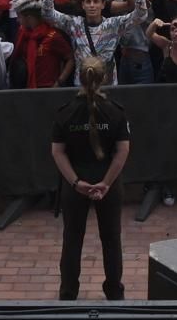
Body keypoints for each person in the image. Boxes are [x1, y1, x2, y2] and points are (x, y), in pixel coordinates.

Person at [50, 56, 131, 301]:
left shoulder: (65, 113)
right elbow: (122, 151)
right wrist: (105, 183)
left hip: (76, 185)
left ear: (80, 78)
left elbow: (57, 152)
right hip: (108, 183)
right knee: (111, 239)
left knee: (72, 238)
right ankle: (115, 292)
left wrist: (76, 182)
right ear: (104, 78)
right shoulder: (116, 112)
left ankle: (68, 294)